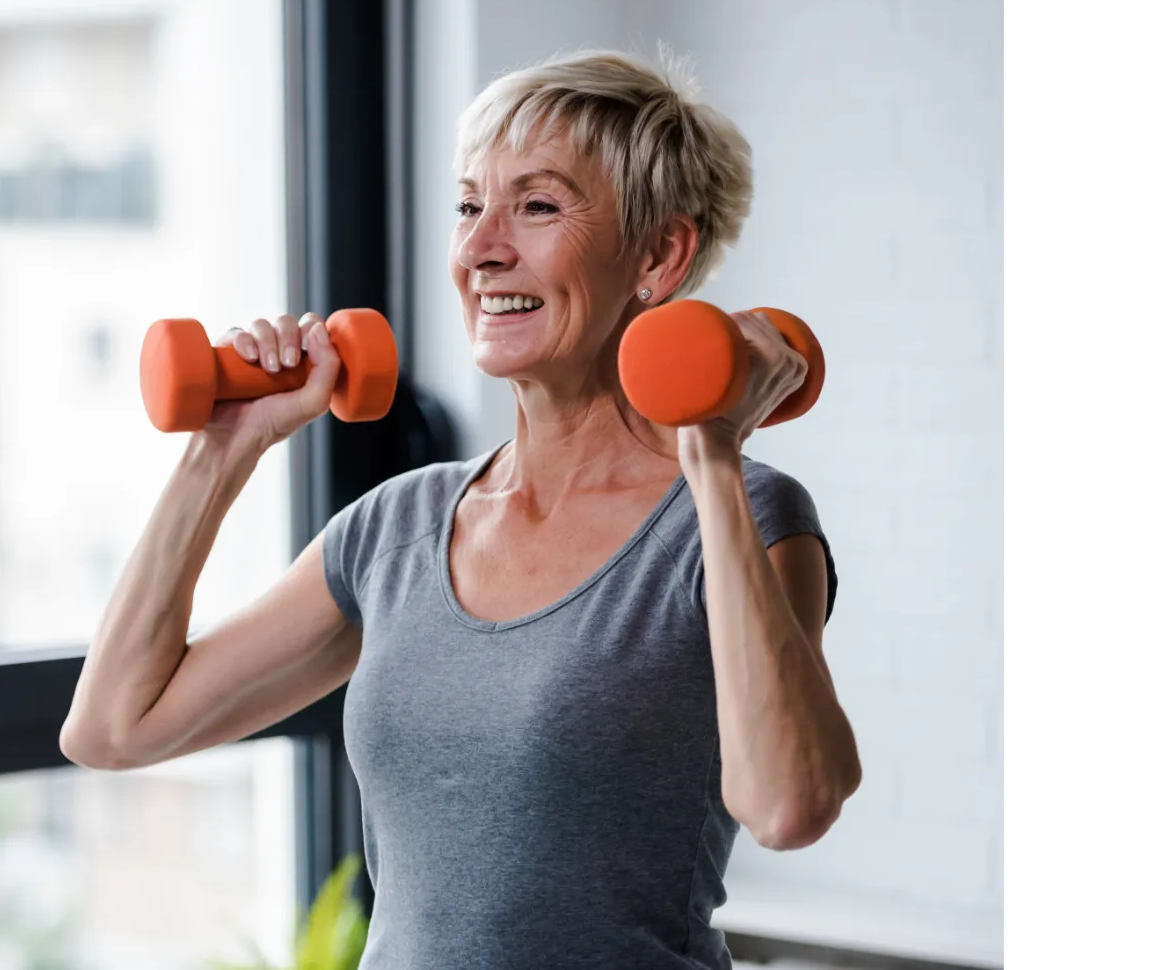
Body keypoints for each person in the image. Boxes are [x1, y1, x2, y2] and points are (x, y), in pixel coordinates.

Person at [59, 48, 862, 969]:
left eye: (538, 204)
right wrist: (222, 451)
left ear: (659, 255)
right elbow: (113, 729)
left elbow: (790, 805)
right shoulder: (396, 529)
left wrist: (711, 452)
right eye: (470, 205)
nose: (482, 249)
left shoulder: (744, 519)